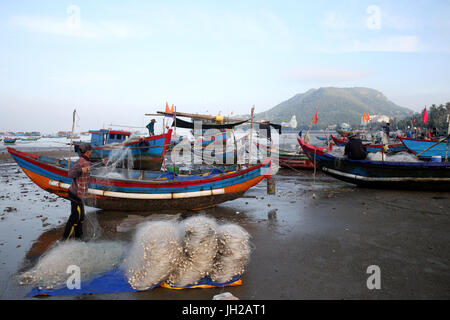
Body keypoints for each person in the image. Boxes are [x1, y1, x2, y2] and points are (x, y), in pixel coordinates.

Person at [62, 143, 93, 241]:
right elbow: (70, 174)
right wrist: (80, 170)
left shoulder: (87, 161)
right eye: (91, 151)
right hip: (75, 194)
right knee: (75, 217)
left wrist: (102, 162)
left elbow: (93, 165)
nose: (92, 152)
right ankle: (65, 240)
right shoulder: (80, 162)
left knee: (80, 217)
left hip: (80, 195)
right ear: (88, 152)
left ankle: (79, 237)